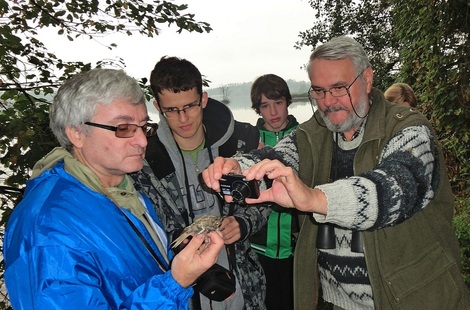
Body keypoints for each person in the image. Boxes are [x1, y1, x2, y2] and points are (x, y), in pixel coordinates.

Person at [202, 35, 470, 309]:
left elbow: (394, 189)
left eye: (339, 88)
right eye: (319, 91)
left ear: (366, 79)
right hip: (329, 300)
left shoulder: (409, 129)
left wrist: (314, 199)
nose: (328, 101)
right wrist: (240, 166)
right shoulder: (314, 131)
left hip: (411, 298)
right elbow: (277, 156)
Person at [3, 68, 224, 309]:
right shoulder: (47, 229)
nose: (142, 141)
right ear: (76, 134)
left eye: (143, 126)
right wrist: (175, 283)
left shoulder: (121, 189)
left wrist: (182, 257)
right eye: (124, 128)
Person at [130, 56, 267, 310]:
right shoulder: (145, 161)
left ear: (203, 99)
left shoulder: (239, 145)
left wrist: (243, 224)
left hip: (244, 285)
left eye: (190, 106)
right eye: (172, 110)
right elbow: (146, 229)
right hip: (184, 291)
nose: (183, 118)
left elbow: (264, 200)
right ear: (157, 106)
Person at [249, 74, 299, 310]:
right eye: (265, 106)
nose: (273, 112)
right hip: (258, 248)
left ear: (287, 101)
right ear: (258, 109)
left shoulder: (306, 137)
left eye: (278, 103)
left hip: (296, 248)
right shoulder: (248, 142)